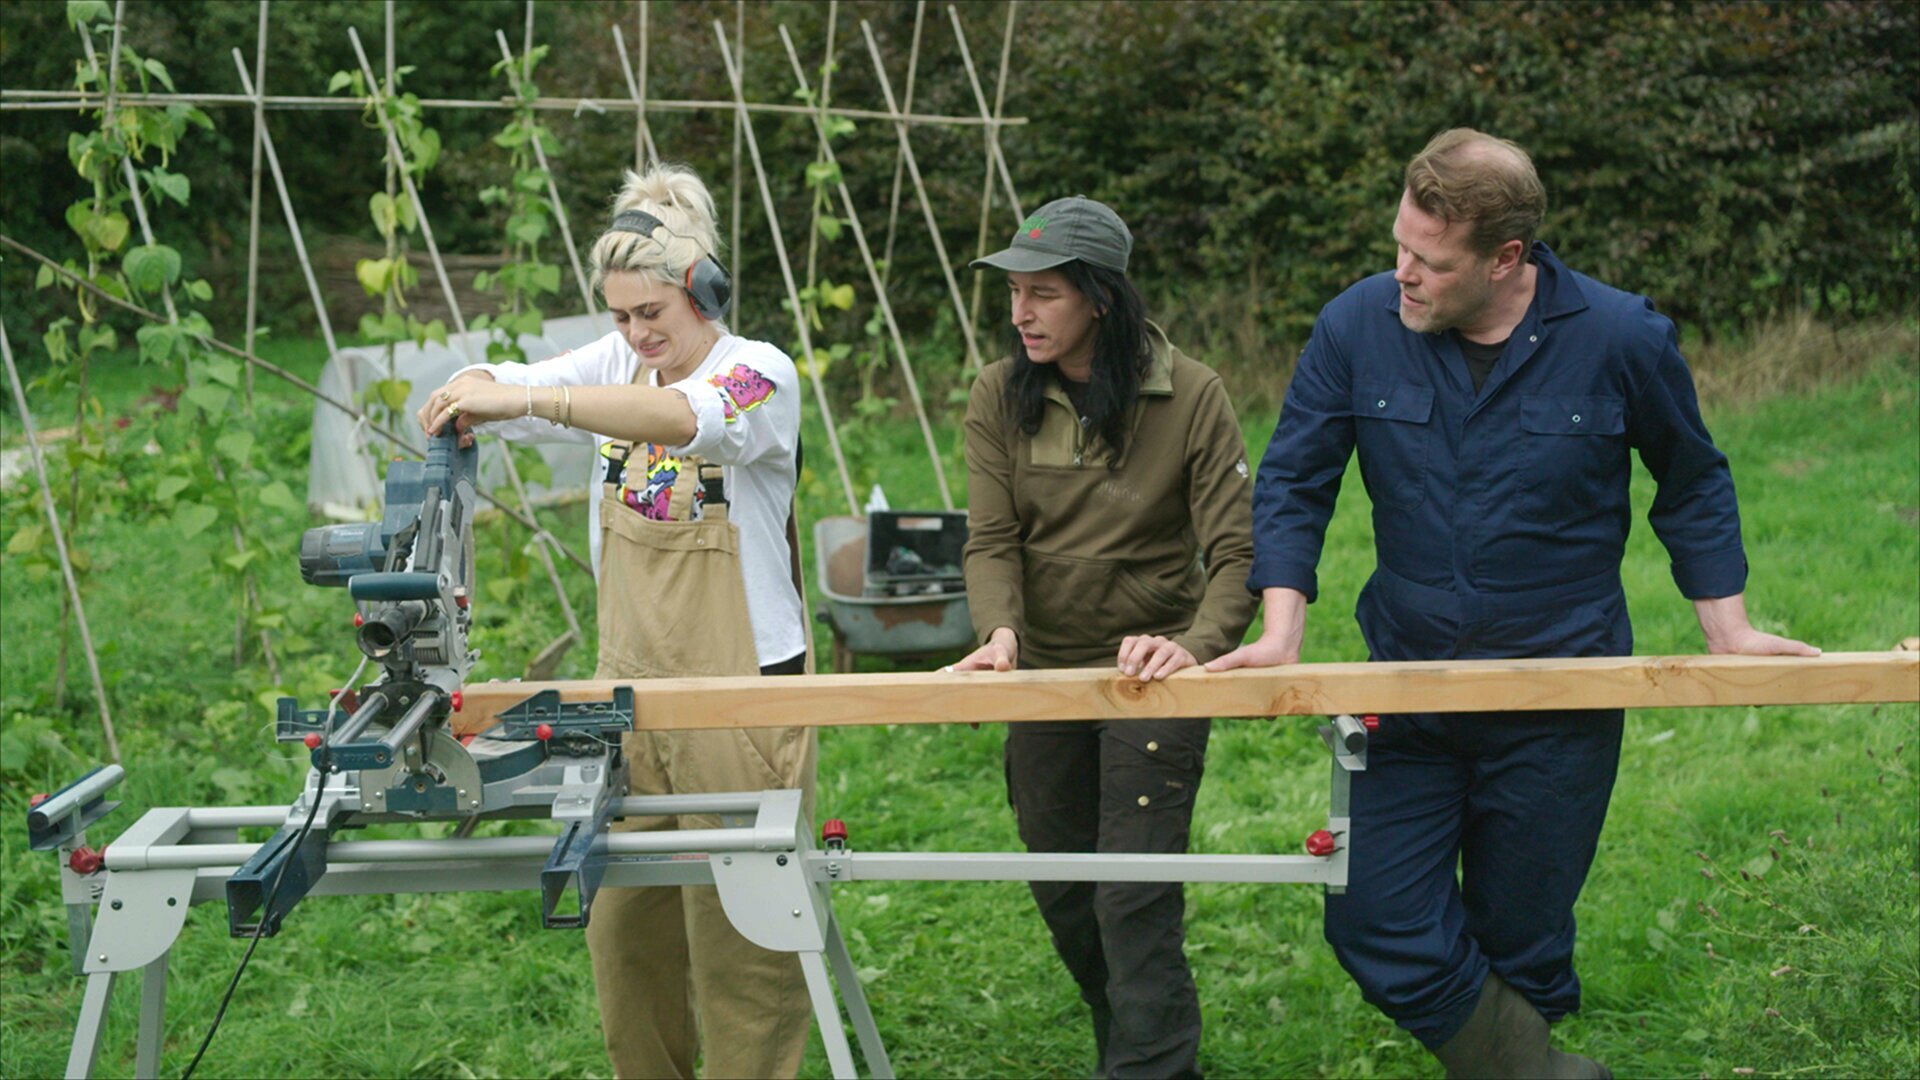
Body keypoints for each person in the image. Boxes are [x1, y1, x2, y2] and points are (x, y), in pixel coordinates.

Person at [1208, 129, 1819, 1077]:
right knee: (1373, 916)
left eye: (1429, 260)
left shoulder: (1621, 337)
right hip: (1404, 692)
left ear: (1506, 258)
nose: (1401, 273)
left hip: (1560, 697)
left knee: (1521, 936)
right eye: (1399, 246)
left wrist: (1726, 627)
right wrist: (1282, 626)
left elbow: (1692, 480)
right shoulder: (1357, 325)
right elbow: (1294, 479)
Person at [418, 162, 814, 1080]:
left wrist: (525, 400)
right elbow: (510, 378)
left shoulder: (759, 375)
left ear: (703, 294)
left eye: (654, 317)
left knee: (744, 933)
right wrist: (471, 385)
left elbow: (677, 419)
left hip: (742, 693)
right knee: (626, 930)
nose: (638, 337)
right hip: (628, 689)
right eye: (622, 317)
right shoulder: (619, 362)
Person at [951, 195, 1258, 1078]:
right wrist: (999, 633)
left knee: (1133, 896)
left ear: (1103, 298)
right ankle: (1141, 1054)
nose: (1020, 312)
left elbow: (1235, 550)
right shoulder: (997, 393)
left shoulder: (1192, 394)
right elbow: (992, 539)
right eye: (1014, 292)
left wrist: (1194, 647)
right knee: (1065, 893)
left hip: (1151, 673)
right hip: (1042, 669)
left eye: (1043, 293)